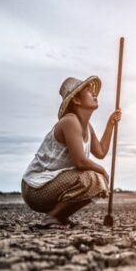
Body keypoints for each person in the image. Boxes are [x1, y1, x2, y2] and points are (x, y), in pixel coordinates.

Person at [21, 76, 121, 228]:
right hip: (35, 189)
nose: (94, 94)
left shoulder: (88, 127)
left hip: (52, 184)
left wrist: (110, 124)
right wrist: (102, 170)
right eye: (89, 91)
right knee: (93, 178)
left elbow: (100, 152)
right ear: (77, 100)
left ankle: (60, 217)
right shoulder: (70, 121)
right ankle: (51, 218)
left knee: (96, 179)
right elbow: (80, 162)